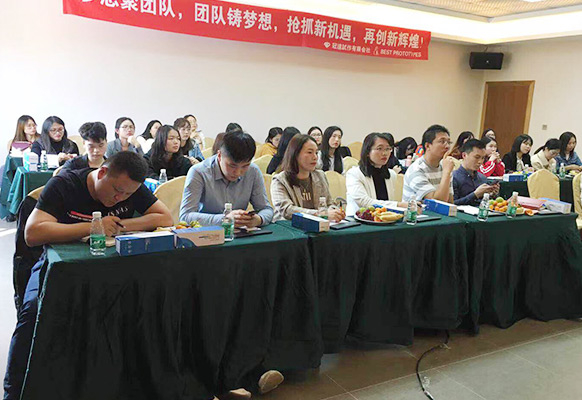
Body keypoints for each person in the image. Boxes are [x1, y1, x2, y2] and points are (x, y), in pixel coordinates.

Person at [3, 151, 173, 400]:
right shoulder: (65, 184)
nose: (120, 198)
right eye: (117, 191)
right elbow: (33, 233)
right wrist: (93, 227)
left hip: (108, 269)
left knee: (147, 306)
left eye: (127, 195)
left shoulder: (129, 187)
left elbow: (165, 217)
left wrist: (121, 226)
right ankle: (15, 392)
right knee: (33, 312)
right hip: (58, 266)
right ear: (102, 173)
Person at [180, 129, 274, 227]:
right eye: (232, 166)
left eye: (245, 166)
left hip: (241, 232)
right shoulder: (199, 172)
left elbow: (266, 209)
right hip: (207, 232)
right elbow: (185, 216)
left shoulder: (253, 171)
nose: (238, 172)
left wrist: (259, 219)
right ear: (219, 155)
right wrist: (225, 219)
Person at [271, 134, 345, 222]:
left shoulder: (320, 176)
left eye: (316, 153)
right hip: (289, 226)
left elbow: (329, 203)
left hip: (318, 226)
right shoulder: (280, 180)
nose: (315, 157)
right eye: (310, 152)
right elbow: (287, 210)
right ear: (295, 154)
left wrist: (335, 211)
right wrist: (321, 214)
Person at [346, 133, 409, 215]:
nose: (384, 153)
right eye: (379, 149)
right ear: (368, 152)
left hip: (384, 219)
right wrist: (398, 205)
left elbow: (389, 203)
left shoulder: (391, 174)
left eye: (388, 149)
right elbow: (364, 202)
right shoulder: (354, 174)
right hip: (358, 219)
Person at [403, 125, 455, 202]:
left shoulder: (444, 166)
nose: (447, 146)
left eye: (449, 142)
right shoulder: (416, 169)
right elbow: (437, 203)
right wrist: (446, 173)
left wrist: (447, 172)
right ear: (427, 146)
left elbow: (450, 201)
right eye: (442, 141)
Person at [452, 139, 499, 206]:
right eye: (477, 157)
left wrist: (492, 194)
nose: (480, 162)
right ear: (464, 155)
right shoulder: (454, 177)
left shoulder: (482, 178)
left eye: (483, 158)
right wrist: (475, 194)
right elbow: (452, 204)